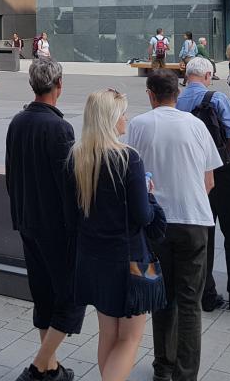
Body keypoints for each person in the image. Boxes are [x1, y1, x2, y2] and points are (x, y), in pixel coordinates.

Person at [126, 70, 221, 381]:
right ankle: (185, 373)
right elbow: (209, 181)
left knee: (161, 296)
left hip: (155, 225)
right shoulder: (196, 126)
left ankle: (162, 367)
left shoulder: (139, 125)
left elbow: (133, 178)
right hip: (194, 221)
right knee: (190, 302)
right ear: (176, 94)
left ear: (151, 94)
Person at [68, 88, 161, 381]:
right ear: (111, 119)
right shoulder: (128, 159)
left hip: (93, 258)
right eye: (123, 113)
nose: (126, 119)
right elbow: (143, 216)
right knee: (130, 337)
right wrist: (150, 195)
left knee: (107, 332)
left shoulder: (77, 157)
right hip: (129, 259)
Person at [6, 59, 84, 381]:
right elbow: (69, 186)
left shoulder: (17, 122)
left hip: (26, 221)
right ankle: (40, 367)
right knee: (70, 299)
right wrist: (77, 227)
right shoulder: (59, 128)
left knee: (43, 295)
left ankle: (52, 367)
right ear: (59, 86)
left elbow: (12, 175)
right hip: (56, 228)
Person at [177, 57, 230, 314]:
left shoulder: (178, 102)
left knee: (204, 235)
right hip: (224, 172)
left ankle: (207, 295)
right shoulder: (218, 99)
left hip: (196, 174)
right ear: (207, 75)